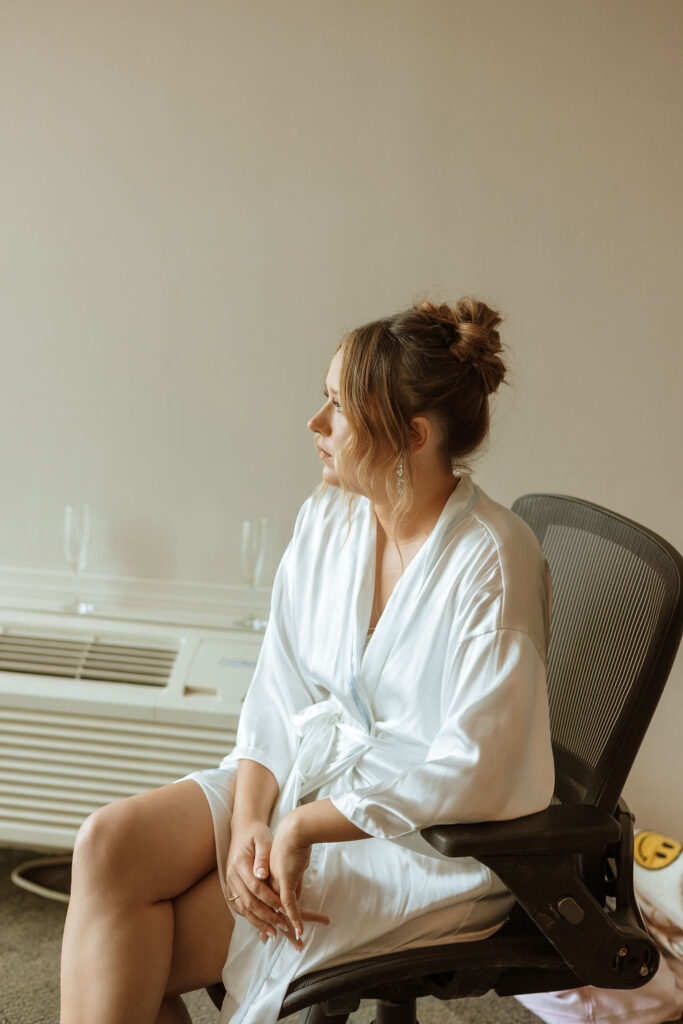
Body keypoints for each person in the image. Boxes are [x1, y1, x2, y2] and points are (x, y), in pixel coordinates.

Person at [59, 295, 555, 1024]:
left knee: (137, 949)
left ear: (411, 435)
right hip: (307, 782)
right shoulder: (330, 516)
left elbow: (472, 770)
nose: (315, 425)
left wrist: (304, 826)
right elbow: (279, 683)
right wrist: (256, 816)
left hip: (423, 846)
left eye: (337, 408)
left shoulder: (492, 561)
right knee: (110, 845)